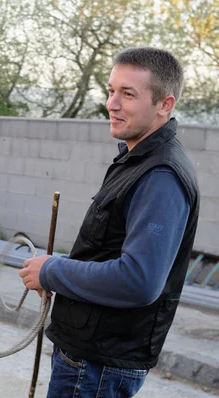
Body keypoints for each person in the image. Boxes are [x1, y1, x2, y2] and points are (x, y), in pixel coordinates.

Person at [19, 47, 200, 397]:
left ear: (165, 104)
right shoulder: (135, 160)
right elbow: (108, 257)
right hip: (89, 356)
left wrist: (52, 271)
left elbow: (138, 281)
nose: (112, 104)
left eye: (128, 94)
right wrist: (58, 270)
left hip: (98, 366)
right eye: (110, 90)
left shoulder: (161, 175)